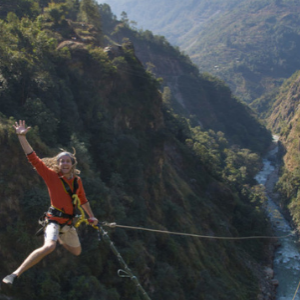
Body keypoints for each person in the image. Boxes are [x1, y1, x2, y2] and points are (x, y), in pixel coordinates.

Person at [2, 120, 98, 286]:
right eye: (62, 161)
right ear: (58, 164)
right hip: (53, 220)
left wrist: (92, 217)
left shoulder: (77, 181)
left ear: (72, 164)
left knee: (77, 251)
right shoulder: (51, 176)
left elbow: (83, 200)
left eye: (68, 161)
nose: (65, 164)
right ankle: (15, 274)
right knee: (49, 247)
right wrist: (21, 136)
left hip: (68, 223)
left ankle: (60, 238)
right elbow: (33, 158)